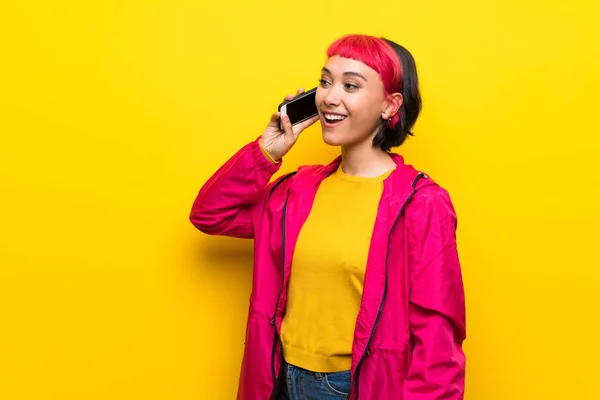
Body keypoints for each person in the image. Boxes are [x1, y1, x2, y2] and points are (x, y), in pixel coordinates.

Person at [189, 34, 466, 400]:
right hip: (276, 379)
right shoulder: (297, 191)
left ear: (390, 105)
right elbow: (211, 214)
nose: (329, 97)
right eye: (325, 82)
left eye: (350, 85)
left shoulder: (421, 204)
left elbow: (437, 340)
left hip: (350, 388)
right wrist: (265, 153)